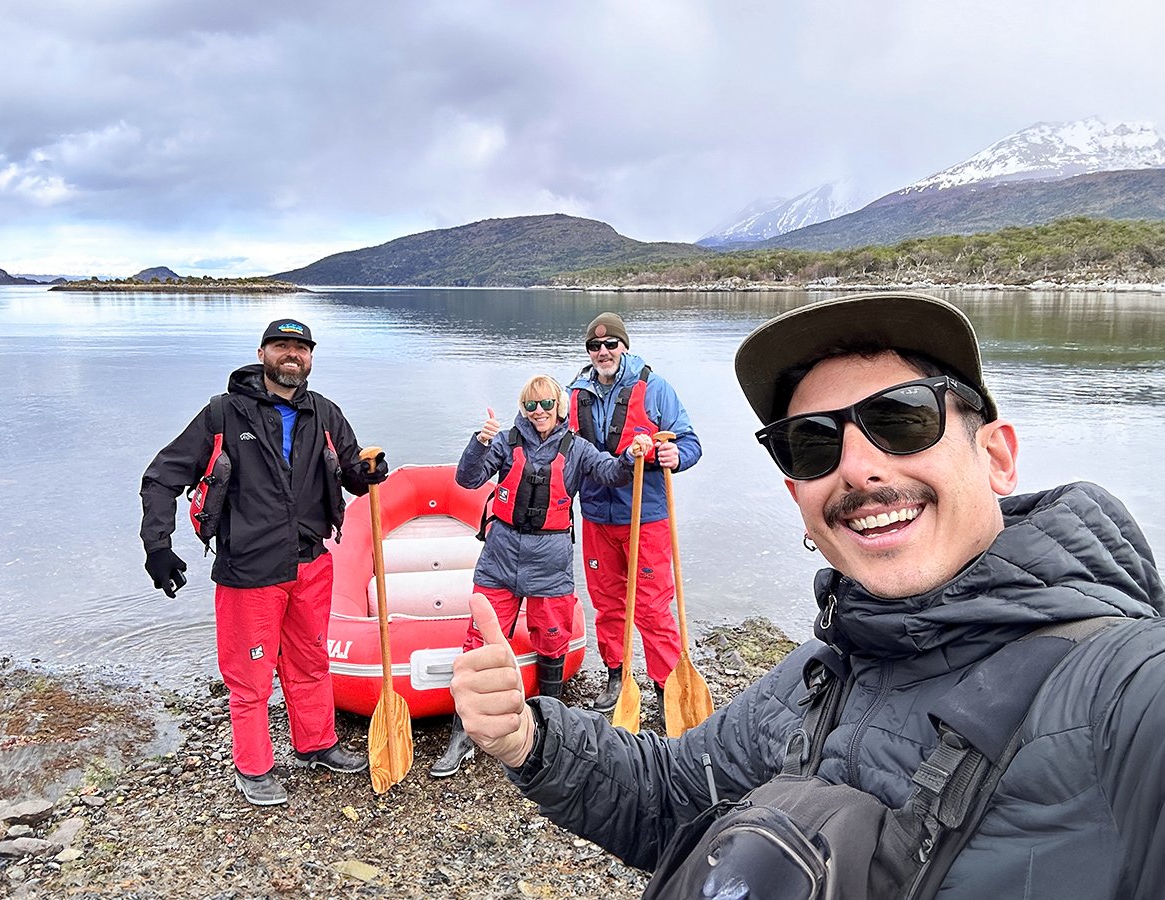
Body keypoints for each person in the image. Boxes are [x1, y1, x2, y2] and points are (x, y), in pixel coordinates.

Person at [450, 292, 1165, 898]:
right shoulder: (819, 672)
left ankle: (658, 680)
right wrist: (531, 738)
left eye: (902, 419)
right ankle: (616, 674)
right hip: (599, 529)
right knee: (613, 614)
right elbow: (670, 797)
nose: (857, 468)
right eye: (811, 443)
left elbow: (667, 449)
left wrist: (662, 454)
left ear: (996, 456)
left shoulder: (1124, 689)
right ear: (798, 495)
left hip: (640, 516)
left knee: (654, 616)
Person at [139, 318, 389, 807]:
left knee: (311, 661)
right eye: (281, 346)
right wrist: (157, 546)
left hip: (312, 564)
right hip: (248, 571)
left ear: (310, 357)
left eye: (301, 347)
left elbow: (354, 476)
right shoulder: (223, 414)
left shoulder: (324, 413)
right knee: (250, 677)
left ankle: (316, 744)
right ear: (262, 353)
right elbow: (162, 477)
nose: (291, 354)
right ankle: (253, 767)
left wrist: (371, 470)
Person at [431, 374, 654, 777]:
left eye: (547, 404)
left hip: (550, 560)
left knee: (553, 639)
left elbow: (611, 473)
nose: (539, 412)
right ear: (523, 408)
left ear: (560, 407)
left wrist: (630, 456)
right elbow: (467, 479)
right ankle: (462, 735)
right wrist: (479, 442)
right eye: (531, 405)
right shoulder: (506, 442)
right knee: (478, 641)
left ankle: (551, 723)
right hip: (500, 557)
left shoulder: (577, 448)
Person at [567, 312, 702, 723]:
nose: (603, 352)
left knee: (652, 607)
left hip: (646, 517)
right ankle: (617, 675)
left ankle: (666, 686)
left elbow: (690, 442)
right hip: (596, 517)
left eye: (610, 345)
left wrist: (676, 455)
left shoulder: (656, 388)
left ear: (623, 346)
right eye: (595, 346)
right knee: (607, 604)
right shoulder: (573, 393)